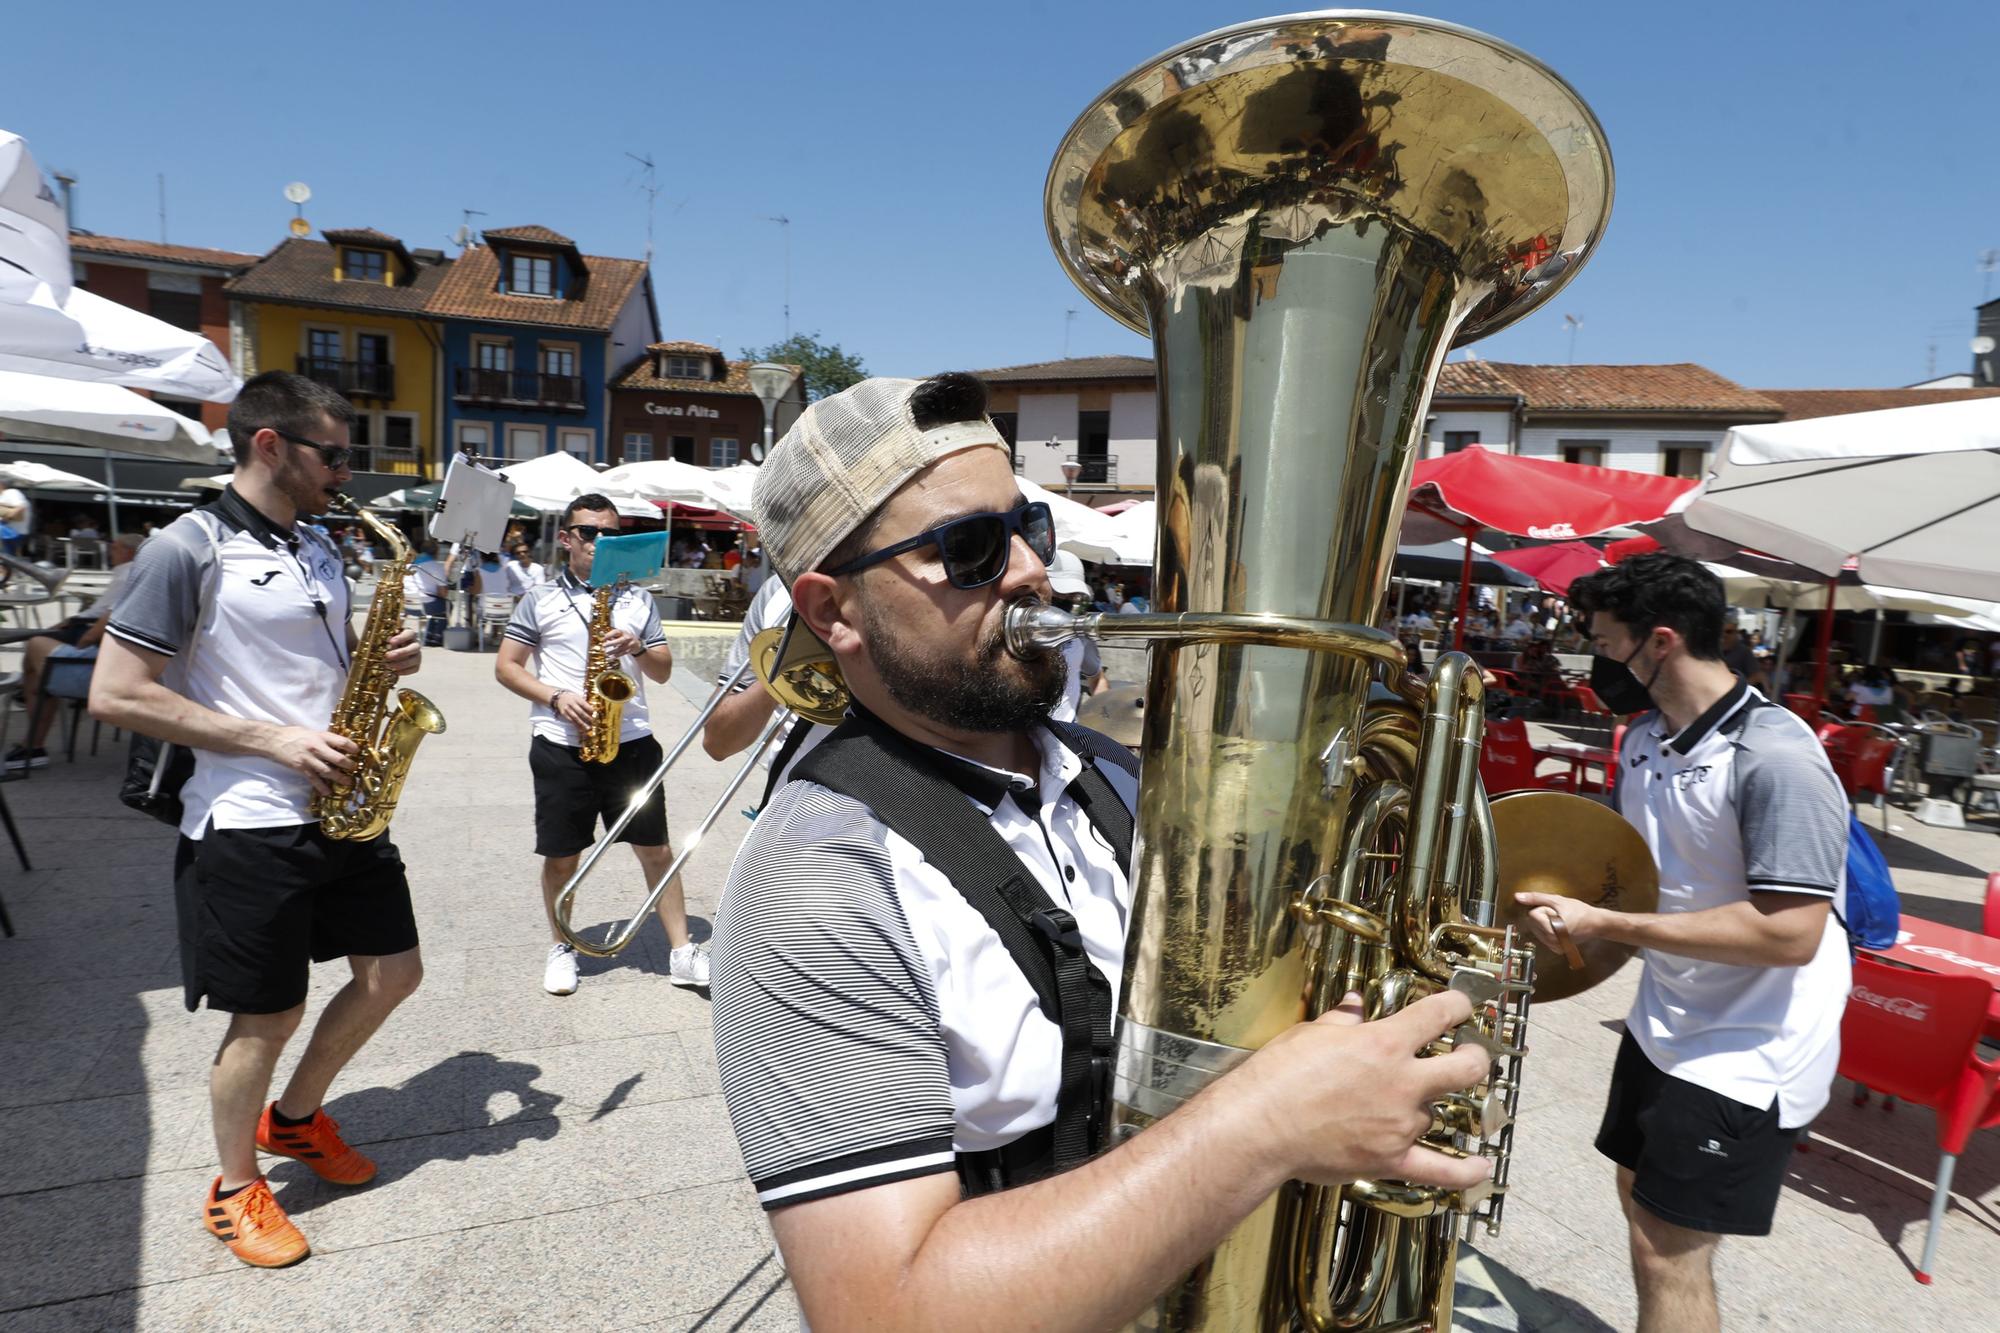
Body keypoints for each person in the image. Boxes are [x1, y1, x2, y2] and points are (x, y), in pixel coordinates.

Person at [709, 373, 1490, 1331]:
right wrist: (1269, 1123)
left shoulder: (1113, 773)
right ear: (835, 612)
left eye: (1028, 525)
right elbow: (883, 1308)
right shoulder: (816, 877)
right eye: (971, 549)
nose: (1035, 570)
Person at [88, 371, 427, 1269]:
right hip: (246, 818)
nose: (346, 472)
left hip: (343, 806)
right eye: (334, 454)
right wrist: (271, 738)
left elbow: (305, 663)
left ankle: (297, 1117)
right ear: (269, 444)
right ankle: (235, 1187)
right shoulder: (185, 548)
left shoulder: (316, 542)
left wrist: (374, 658)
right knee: (265, 1017)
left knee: (395, 973)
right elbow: (116, 693)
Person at [1513, 552, 1850, 1333]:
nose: (1596, 661)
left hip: (1753, 1043)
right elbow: (1630, 874)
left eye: (1604, 642)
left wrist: (1609, 925)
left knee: (1671, 1250)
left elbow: (1789, 932)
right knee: (1638, 1201)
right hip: (1668, 1016)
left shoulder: (1777, 758)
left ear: (1659, 642)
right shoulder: (1642, 738)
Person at [494, 494, 707, 996]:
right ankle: (562, 946)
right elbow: (506, 666)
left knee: (656, 850)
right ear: (567, 538)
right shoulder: (540, 598)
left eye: (611, 534)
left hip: (631, 742)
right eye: (590, 532)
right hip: (562, 744)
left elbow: (663, 669)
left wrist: (637, 646)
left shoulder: (638, 599)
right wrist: (556, 697)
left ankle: (681, 953)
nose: (601, 542)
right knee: (563, 857)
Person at [3, 535, 139, 772]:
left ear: (129, 552)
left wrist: (85, 640)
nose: (110, 551)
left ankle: (33, 740)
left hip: (91, 640)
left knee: (34, 646)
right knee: (34, 655)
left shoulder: (130, 572)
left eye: (115, 547)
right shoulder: (129, 572)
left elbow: (111, 615)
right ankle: (28, 701)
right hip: (90, 633)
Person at [1046, 548, 1109, 721]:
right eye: (1058, 591)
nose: (1066, 598)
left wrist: (1104, 722)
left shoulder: (1079, 631)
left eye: (1072, 594)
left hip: (1068, 733)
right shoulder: (1012, 631)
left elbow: (1097, 679)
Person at [0, 481, 31, 556]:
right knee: (7, 559)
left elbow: (21, 506)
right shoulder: (3, 496)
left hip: (13, 532)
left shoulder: (11, 492)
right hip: (6, 533)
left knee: (8, 558)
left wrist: (7, 518)